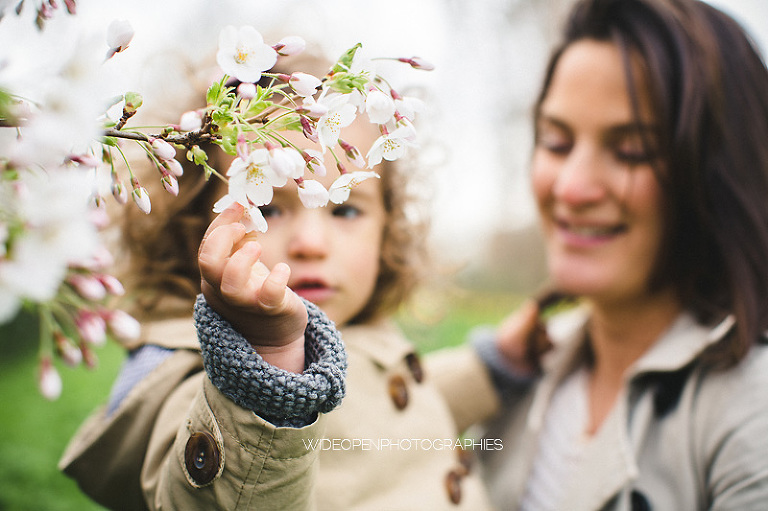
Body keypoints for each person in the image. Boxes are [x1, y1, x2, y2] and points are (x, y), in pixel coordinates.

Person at [59, 88, 500, 508]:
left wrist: (491, 368)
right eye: (266, 207)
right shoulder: (180, 362)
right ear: (195, 229)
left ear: (387, 228)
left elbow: (384, 421)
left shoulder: (357, 326)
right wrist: (267, 364)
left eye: (345, 209)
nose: (310, 243)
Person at [467, 0, 768, 509]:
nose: (573, 186)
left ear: (718, 171)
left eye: (632, 152)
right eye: (557, 141)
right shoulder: (523, 368)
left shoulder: (750, 407)